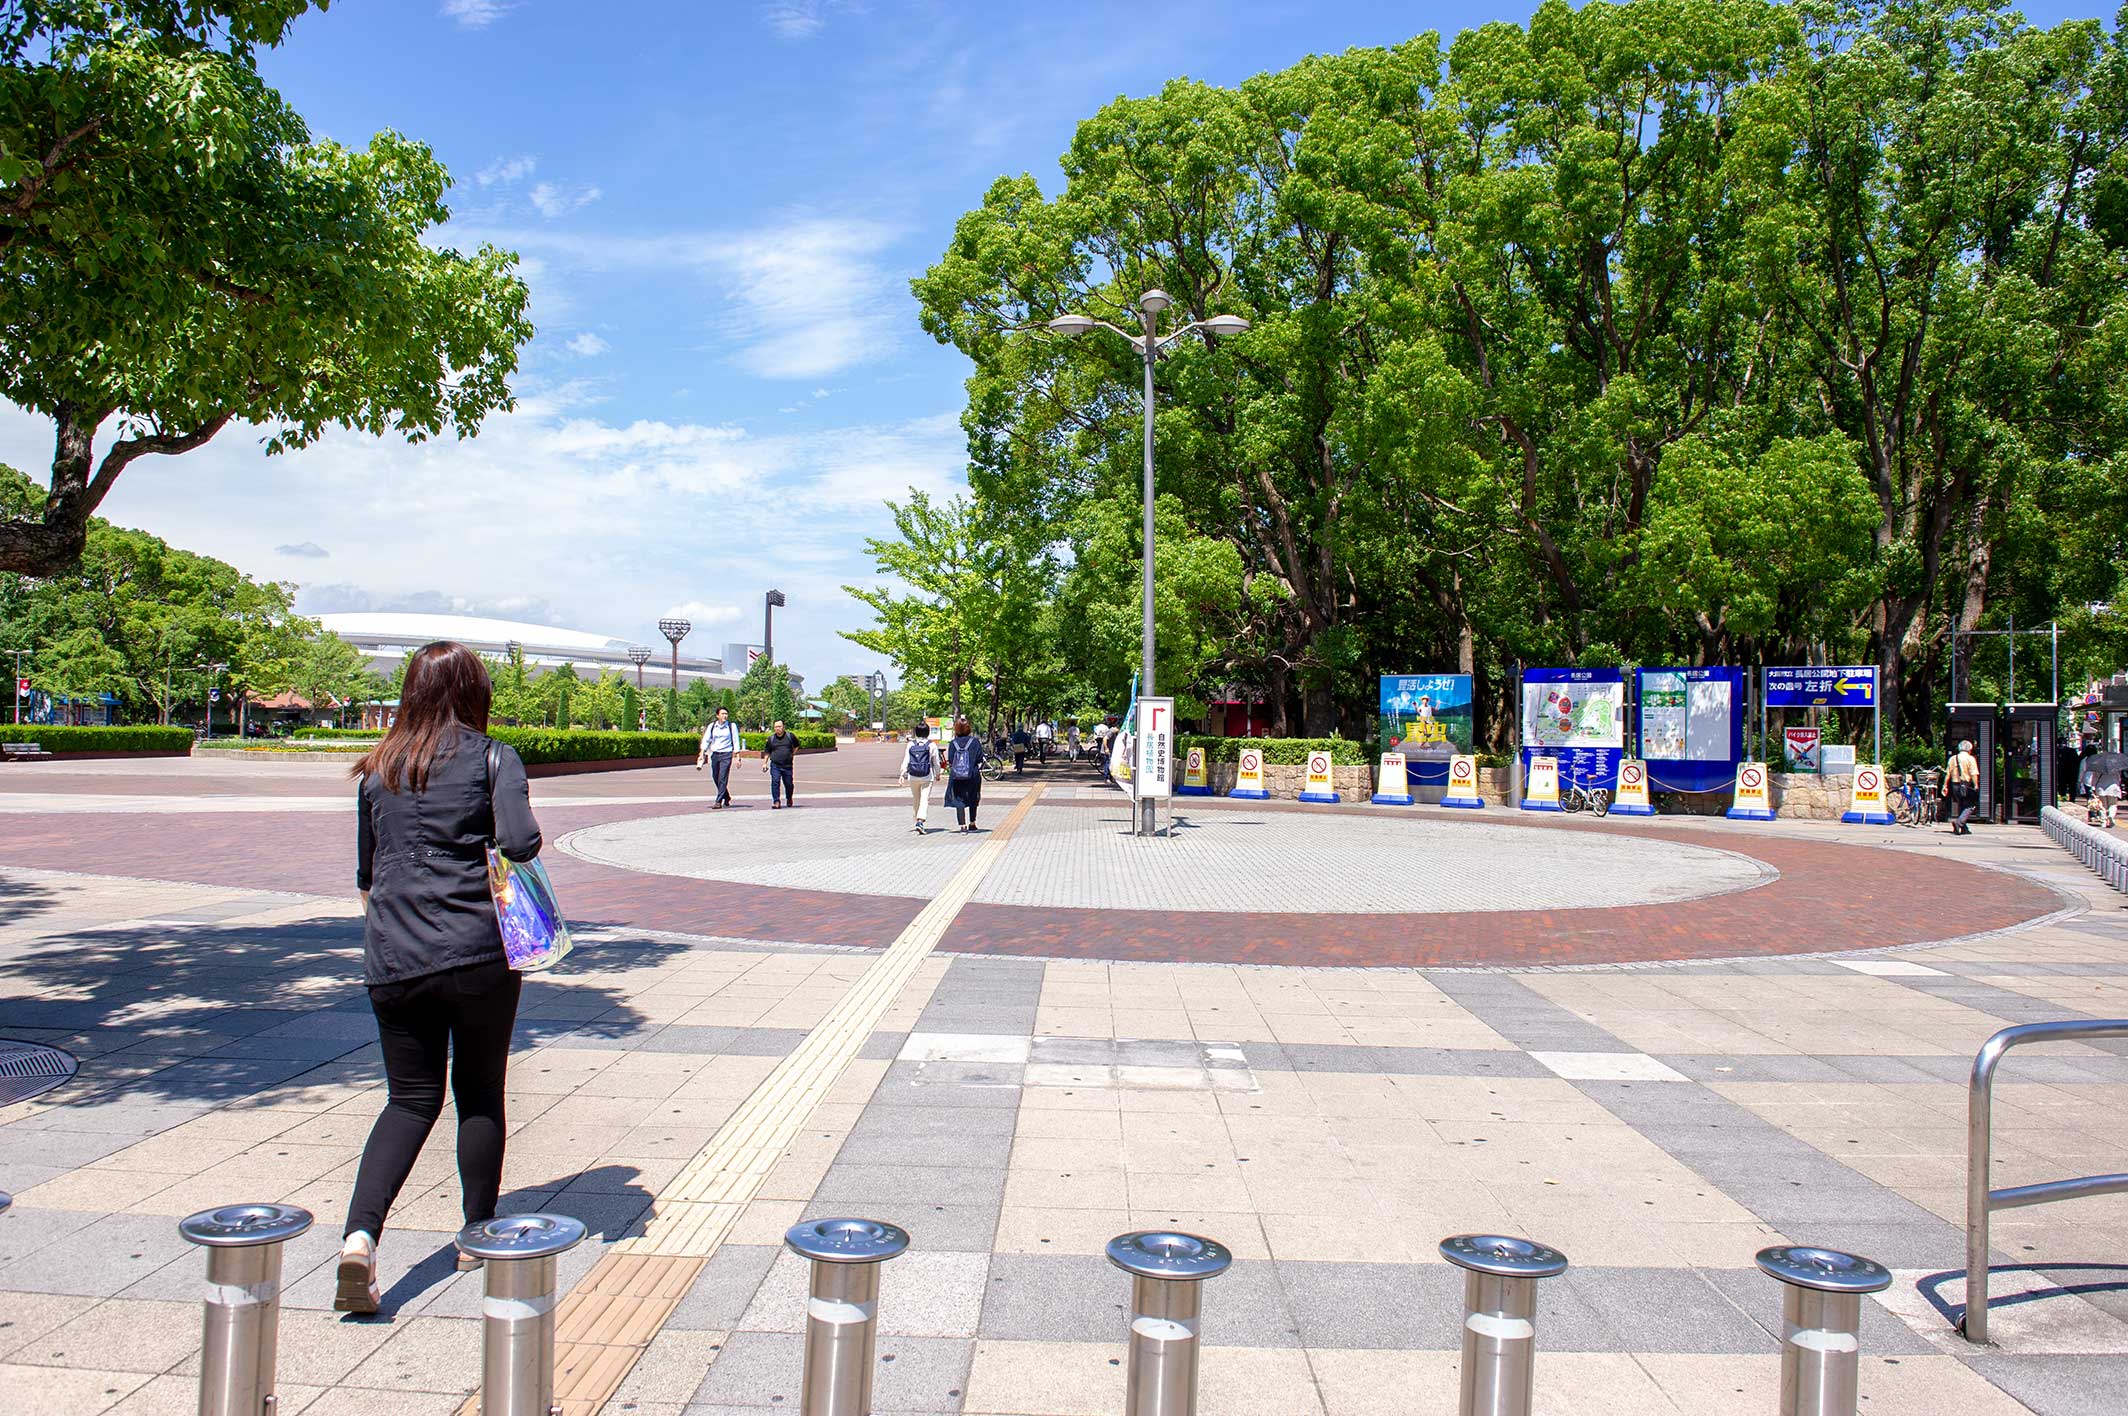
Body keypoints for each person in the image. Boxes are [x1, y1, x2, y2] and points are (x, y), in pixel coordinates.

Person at [337, 640, 542, 1313]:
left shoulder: (377, 768)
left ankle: (360, 1242)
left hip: (393, 956)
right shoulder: (492, 756)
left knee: (407, 1101)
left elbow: (368, 874)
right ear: (474, 691)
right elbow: (519, 844)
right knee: (479, 1092)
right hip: (477, 949)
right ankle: (476, 1233)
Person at [944, 715, 986, 832]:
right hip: (972, 774)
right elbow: (979, 758)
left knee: (959, 798)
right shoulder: (975, 742)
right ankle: (972, 823)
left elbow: (951, 759)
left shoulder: (953, 743)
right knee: (973, 797)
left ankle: (962, 825)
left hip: (957, 775)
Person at [697, 706, 742, 809]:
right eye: (722, 714)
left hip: (726, 754)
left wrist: (738, 757)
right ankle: (726, 796)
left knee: (722, 777)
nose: (725, 716)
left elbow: (735, 741)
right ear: (717, 715)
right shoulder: (712, 726)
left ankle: (718, 801)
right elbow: (706, 740)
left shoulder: (731, 726)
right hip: (715, 754)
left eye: (726, 714)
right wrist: (701, 753)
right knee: (715, 776)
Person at [899, 721, 936, 833]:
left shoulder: (911, 744)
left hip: (913, 775)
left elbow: (906, 760)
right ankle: (920, 820)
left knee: (916, 798)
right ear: (928, 732)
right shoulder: (931, 745)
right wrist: (938, 773)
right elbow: (936, 761)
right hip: (927, 776)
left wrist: (902, 774)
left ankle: (916, 820)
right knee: (924, 799)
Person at [1944, 738, 1982, 834]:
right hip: (1965, 784)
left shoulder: (1953, 758)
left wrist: (1945, 786)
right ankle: (1959, 822)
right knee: (1971, 805)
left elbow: (1947, 773)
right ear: (1970, 749)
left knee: (1961, 805)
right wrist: (1976, 785)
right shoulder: (1970, 759)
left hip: (1954, 785)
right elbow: (1973, 773)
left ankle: (1964, 828)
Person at [761, 719, 799, 808]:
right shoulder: (771, 739)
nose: (778, 728)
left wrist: (791, 754)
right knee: (775, 782)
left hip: (787, 765)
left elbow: (796, 746)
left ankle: (789, 798)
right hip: (775, 765)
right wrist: (764, 763)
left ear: (783, 727)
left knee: (789, 784)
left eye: (779, 726)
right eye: (776, 727)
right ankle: (776, 801)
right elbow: (767, 752)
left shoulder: (790, 736)